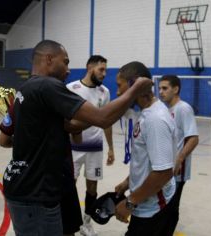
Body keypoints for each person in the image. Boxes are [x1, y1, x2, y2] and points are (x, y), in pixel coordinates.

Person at [3, 40, 152, 236]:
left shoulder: (25, 89)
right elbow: (103, 118)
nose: (68, 68)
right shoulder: (48, 86)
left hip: (30, 185)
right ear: (49, 59)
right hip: (35, 193)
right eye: (65, 62)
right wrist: (135, 89)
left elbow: (71, 128)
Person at [0, 103, 83, 236]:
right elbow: (78, 139)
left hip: (32, 181)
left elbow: (3, 141)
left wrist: (25, 143)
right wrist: (76, 126)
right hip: (60, 176)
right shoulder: (61, 105)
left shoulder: (19, 104)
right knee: (67, 229)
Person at [114, 62, 176, 236]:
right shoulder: (146, 113)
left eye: (120, 86)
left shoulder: (155, 119)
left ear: (135, 85)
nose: (118, 92)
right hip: (145, 203)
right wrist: (128, 182)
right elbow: (146, 158)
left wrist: (129, 203)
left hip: (154, 210)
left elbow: (163, 172)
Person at [66, 55, 114, 236]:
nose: (104, 73)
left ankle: (87, 224)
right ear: (89, 68)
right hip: (73, 148)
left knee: (92, 188)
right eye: (101, 69)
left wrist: (111, 148)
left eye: (105, 70)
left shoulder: (105, 92)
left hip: (95, 148)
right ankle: (70, 222)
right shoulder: (71, 88)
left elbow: (107, 122)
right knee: (69, 186)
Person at [158, 75, 199, 234]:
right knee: (164, 206)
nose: (160, 91)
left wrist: (179, 159)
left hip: (177, 170)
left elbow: (193, 139)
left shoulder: (183, 108)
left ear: (176, 89)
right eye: (159, 88)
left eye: (165, 88)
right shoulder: (165, 109)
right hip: (165, 169)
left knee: (171, 207)